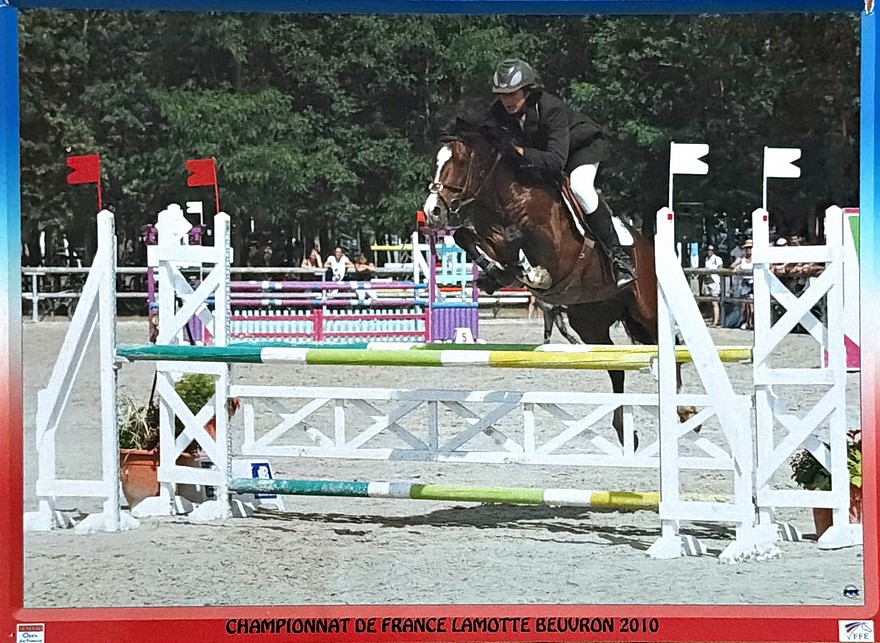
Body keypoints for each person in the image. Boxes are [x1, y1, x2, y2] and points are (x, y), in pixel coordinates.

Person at [487, 58, 635, 288]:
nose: (507, 100)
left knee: (580, 187)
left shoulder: (550, 107)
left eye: (512, 94)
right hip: (543, 156)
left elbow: (556, 161)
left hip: (581, 149)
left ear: (527, 90)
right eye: (502, 95)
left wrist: (519, 151)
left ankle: (619, 257)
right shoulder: (499, 112)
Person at [702, 245, 724, 326]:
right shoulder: (706, 259)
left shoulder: (717, 259)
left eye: (711, 250)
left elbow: (720, 269)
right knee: (709, 302)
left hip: (715, 281)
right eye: (708, 250)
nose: (710, 251)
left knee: (715, 302)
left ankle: (716, 321)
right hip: (707, 281)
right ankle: (713, 318)